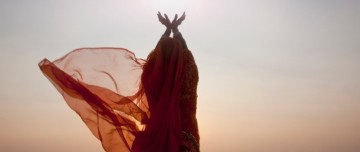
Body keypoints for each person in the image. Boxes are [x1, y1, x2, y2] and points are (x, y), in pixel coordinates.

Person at [39, 12, 199, 152]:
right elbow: (186, 54)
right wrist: (176, 30)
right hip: (185, 140)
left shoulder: (151, 79)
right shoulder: (189, 77)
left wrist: (167, 30)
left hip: (153, 141)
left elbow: (153, 61)